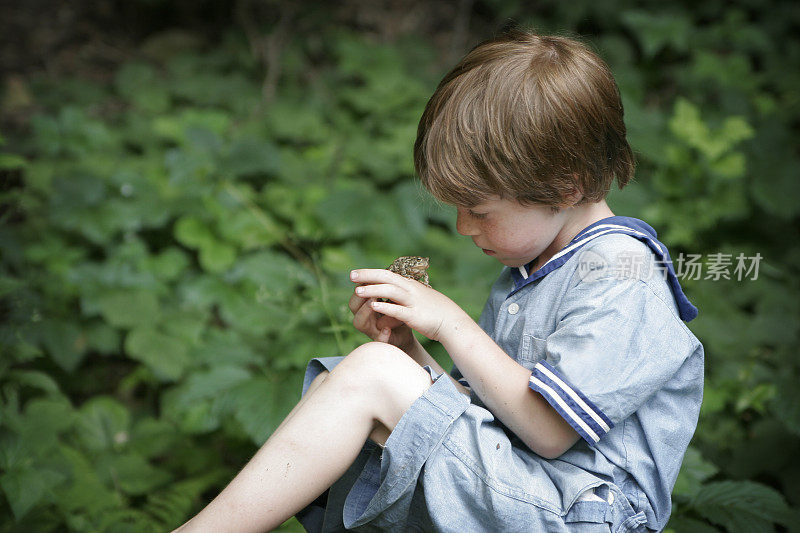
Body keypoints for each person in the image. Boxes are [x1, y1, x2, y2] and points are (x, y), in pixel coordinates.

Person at [173, 27, 704, 533]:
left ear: (568, 186)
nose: (461, 227)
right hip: (531, 491)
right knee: (371, 375)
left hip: (583, 514)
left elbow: (547, 431)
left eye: (479, 209)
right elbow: (491, 411)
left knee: (373, 375)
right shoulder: (536, 271)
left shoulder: (620, 274)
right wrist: (414, 357)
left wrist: (450, 323)